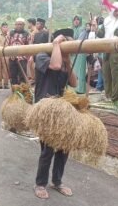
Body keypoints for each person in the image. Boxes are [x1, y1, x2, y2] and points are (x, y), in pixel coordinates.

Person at [33, 29, 77, 199]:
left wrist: (68, 60)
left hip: (61, 109)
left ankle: (57, 182)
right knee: (48, 149)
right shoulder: (42, 55)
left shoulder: (64, 59)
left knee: (64, 147)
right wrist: (57, 45)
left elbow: (73, 82)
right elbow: (55, 66)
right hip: (45, 110)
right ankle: (40, 183)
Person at [97, 2, 118, 110]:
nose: (117, 12)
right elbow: (101, 34)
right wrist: (95, 27)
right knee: (106, 73)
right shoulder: (107, 20)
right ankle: (108, 96)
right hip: (106, 50)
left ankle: (116, 98)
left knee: (116, 75)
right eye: (115, 10)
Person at [6, 18, 30, 85]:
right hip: (12, 58)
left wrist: (27, 57)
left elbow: (29, 46)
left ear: (24, 25)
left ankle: (23, 91)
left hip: (22, 59)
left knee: (22, 76)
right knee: (13, 75)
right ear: (15, 25)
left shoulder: (27, 34)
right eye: (17, 24)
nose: (19, 26)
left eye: (20, 24)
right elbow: (7, 44)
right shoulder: (10, 33)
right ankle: (15, 92)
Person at [0, 22, 10, 89]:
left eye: (6, 27)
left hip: (6, 54)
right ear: (1, 28)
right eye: (4, 27)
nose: (5, 29)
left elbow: (9, 44)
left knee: (6, 69)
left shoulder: (9, 36)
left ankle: (6, 83)